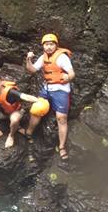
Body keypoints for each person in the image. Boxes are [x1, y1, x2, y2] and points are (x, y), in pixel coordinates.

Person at [24, 32, 74, 160]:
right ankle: (28, 132)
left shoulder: (62, 57)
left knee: (61, 118)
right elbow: (32, 70)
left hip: (61, 90)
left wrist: (67, 77)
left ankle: (62, 147)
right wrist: (28, 59)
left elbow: (72, 73)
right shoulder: (43, 57)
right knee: (37, 109)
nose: (49, 47)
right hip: (47, 89)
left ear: (56, 45)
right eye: (46, 45)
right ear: (43, 46)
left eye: (51, 44)